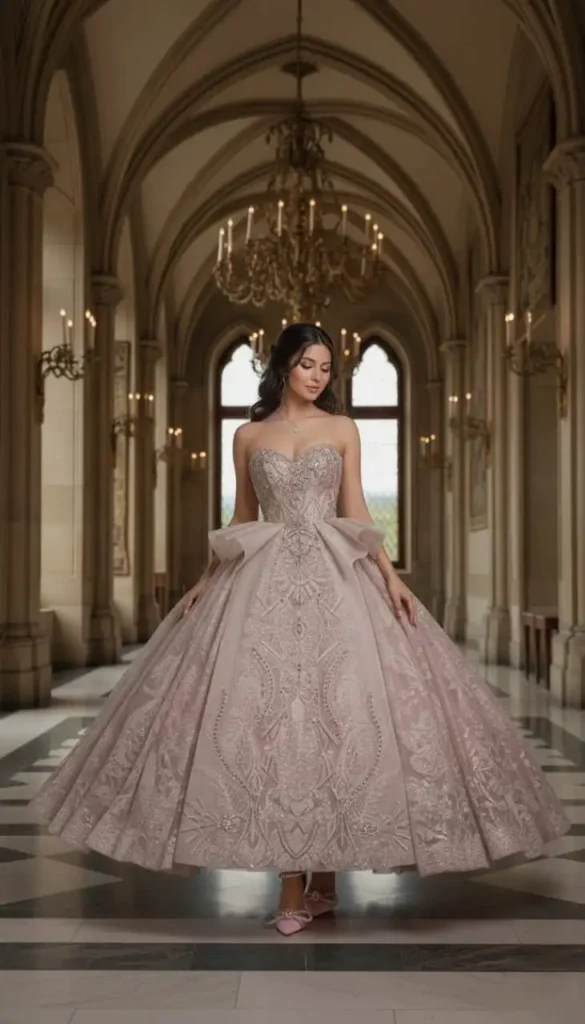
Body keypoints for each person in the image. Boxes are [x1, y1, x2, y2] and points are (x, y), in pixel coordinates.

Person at [32, 322, 569, 936]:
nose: (318, 376)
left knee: (338, 713)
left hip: (337, 578)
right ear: (283, 364)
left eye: (326, 368)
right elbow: (239, 516)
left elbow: (357, 510)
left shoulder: (342, 429)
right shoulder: (247, 435)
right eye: (309, 364)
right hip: (258, 581)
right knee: (275, 716)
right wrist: (206, 582)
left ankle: (326, 877)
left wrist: (390, 578)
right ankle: (292, 881)